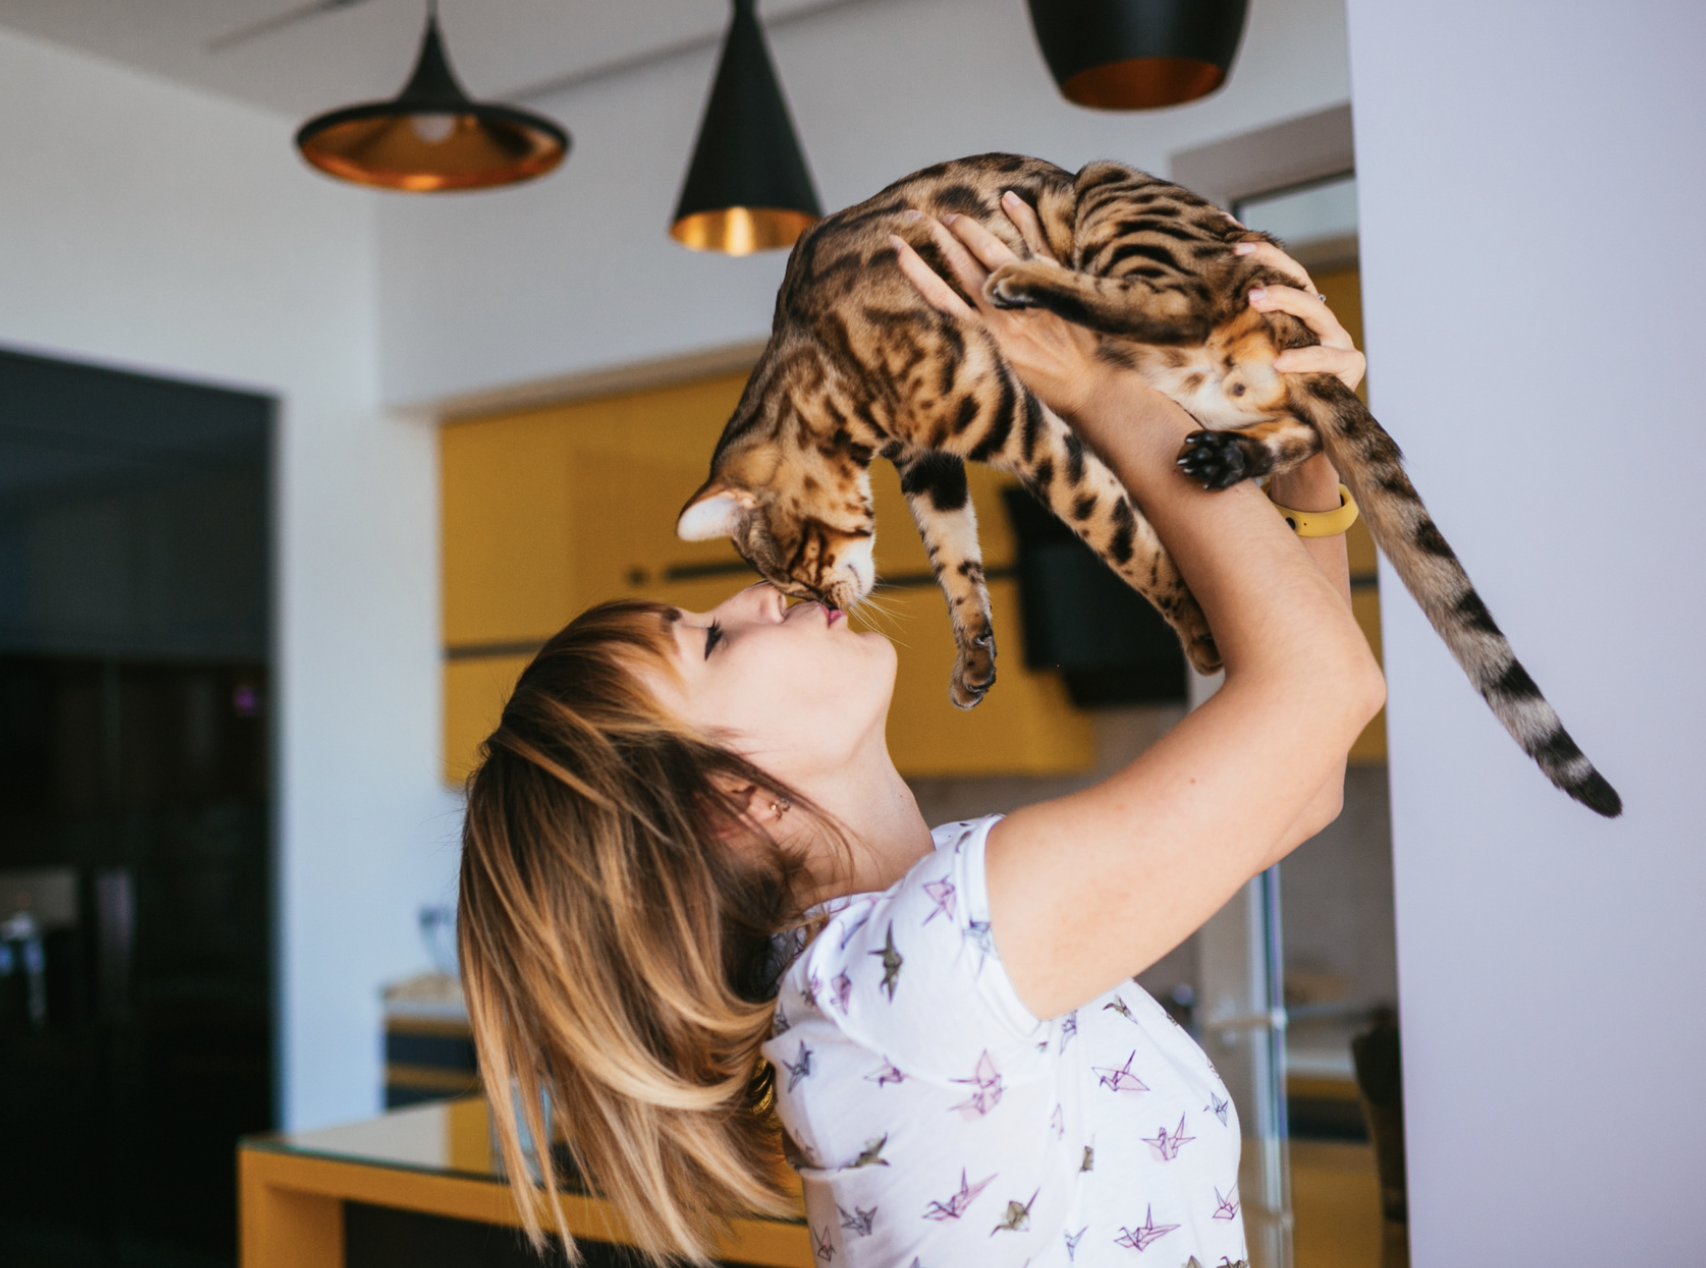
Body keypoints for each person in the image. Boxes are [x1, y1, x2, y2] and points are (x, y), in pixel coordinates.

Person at [456, 201, 1383, 1267]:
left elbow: (1300, 778)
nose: (756, 593)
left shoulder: (899, 953)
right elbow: (1319, 694)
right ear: (732, 799)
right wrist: (1091, 383)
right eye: (708, 643)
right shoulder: (923, 972)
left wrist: (1308, 473)